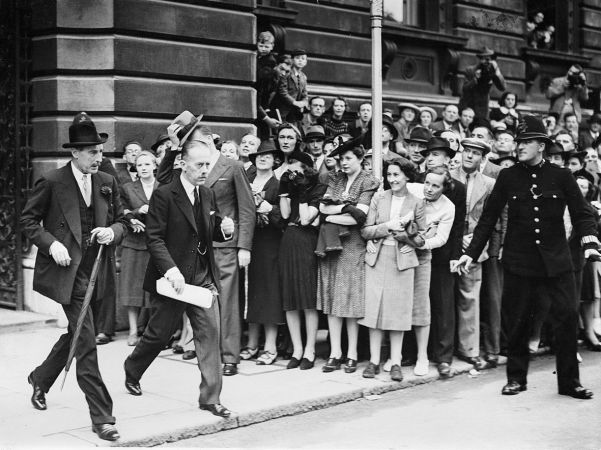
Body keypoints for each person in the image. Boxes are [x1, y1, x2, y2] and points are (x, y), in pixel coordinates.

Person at [455, 115, 600, 400]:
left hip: (557, 262)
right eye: (518, 142)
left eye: (526, 142)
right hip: (520, 262)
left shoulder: (561, 176)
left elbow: (583, 212)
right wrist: (470, 254)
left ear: (541, 146)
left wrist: (590, 242)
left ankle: (570, 382)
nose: (520, 146)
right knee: (518, 321)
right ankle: (516, 378)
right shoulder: (509, 176)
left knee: (567, 318)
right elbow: (488, 219)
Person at [20, 112, 127, 441]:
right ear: (74, 153)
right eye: (92, 151)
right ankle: (103, 417)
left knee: (78, 333)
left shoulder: (107, 182)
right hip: (69, 276)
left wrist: (112, 231)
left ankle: (40, 377)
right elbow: (27, 222)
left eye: (100, 150)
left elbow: (123, 220)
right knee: (88, 344)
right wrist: (51, 245)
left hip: (98, 273)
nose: (99, 157)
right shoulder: (52, 182)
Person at [124, 139, 236, 418]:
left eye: (207, 164)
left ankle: (210, 398)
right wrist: (171, 270)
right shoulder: (164, 194)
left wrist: (225, 231)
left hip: (203, 277)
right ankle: (133, 368)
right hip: (174, 279)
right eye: (199, 165)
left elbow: (210, 231)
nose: (204, 170)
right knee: (158, 335)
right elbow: (155, 238)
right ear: (183, 164)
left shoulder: (207, 194)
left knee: (210, 335)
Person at [157, 113, 256, 377]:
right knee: (202, 303)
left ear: (211, 139)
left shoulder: (231, 166)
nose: (194, 148)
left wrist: (244, 246)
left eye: (197, 141)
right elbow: (163, 179)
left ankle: (230, 355)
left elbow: (247, 208)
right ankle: (206, 351)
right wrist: (174, 145)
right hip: (196, 248)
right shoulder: (188, 166)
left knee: (227, 302)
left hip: (225, 245)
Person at [360, 159, 426, 381]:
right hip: (377, 259)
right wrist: (386, 227)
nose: (393, 179)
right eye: (390, 175)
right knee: (374, 311)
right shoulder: (379, 198)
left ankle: (396, 361)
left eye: (397, 175)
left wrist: (406, 236)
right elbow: (366, 231)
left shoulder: (417, 202)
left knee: (397, 312)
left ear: (407, 176)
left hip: (402, 262)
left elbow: (422, 238)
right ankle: (374, 360)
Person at [318, 142, 379, 374]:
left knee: (351, 300)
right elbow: (323, 208)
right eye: (342, 158)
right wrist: (345, 208)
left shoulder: (368, 180)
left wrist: (335, 213)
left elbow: (360, 218)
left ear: (360, 159)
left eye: (349, 158)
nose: (344, 162)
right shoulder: (336, 179)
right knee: (333, 299)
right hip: (332, 244)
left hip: (353, 245)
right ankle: (335, 352)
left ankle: (352, 353)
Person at [450, 138, 496, 370]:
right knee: (443, 296)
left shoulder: (489, 184)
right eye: (466, 151)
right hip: (447, 243)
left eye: (475, 153)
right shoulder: (447, 177)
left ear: (482, 158)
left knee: (470, 296)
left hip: (473, 245)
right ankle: (443, 349)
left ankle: (470, 349)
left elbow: (489, 219)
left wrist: (475, 242)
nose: (469, 156)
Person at [279, 150, 326, 370]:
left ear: (306, 168)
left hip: (307, 241)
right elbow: (286, 215)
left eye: (296, 166)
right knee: (290, 299)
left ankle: (310, 349)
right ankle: (297, 349)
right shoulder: (291, 186)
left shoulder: (318, 189)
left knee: (307, 299)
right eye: (291, 166)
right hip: (289, 239)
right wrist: (284, 191)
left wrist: (304, 191)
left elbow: (307, 219)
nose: (292, 171)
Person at [242, 140, 285, 365]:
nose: (262, 158)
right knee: (250, 293)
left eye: (267, 155)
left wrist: (271, 209)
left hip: (269, 243)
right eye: (259, 155)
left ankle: (269, 346)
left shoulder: (278, 185)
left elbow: (285, 216)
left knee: (268, 293)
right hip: (248, 242)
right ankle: (251, 343)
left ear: (275, 160)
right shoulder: (245, 180)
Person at [119, 151, 158, 346]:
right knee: (131, 287)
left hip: (156, 243)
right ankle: (133, 331)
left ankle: (151, 329)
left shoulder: (163, 187)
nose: (143, 168)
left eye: (146, 164)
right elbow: (120, 211)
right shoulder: (128, 188)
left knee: (154, 289)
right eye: (139, 165)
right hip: (134, 243)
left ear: (154, 166)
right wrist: (136, 212)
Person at [459, 47, 506, 119]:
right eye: (484, 59)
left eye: (488, 59)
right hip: (468, 106)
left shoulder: (492, 72)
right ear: (480, 59)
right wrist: (475, 79)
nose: (486, 61)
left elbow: (502, 88)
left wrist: (497, 73)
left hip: (482, 109)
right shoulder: (471, 70)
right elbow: (465, 89)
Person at [272, 48, 308, 123]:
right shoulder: (286, 73)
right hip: (282, 109)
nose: (300, 60)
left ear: (306, 62)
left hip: (294, 112)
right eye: (297, 58)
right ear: (292, 60)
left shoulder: (303, 77)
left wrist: (303, 102)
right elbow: (282, 91)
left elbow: (304, 94)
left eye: (303, 59)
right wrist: (294, 102)